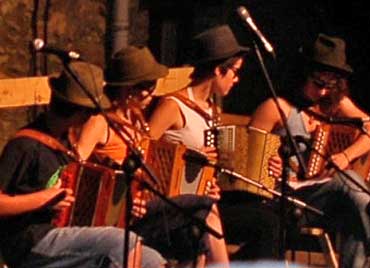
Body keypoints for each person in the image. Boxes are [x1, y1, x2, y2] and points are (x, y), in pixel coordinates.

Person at [74, 45, 230, 267]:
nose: (152, 92)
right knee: (203, 208)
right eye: (147, 86)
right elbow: (75, 166)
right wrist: (112, 188)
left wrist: (199, 176)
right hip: (121, 215)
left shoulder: (137, 119)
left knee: (194, 228)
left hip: (143, 206)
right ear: (127, 89)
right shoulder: (100, 122)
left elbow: (157, 163)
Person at [0, 61, 165, 268]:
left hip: (63, 233)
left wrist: (126, 207)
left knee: (152, 259)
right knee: (122, 243)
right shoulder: (25, 145)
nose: (93, 117)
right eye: (92, 112)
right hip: (30, 241)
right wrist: (42, 199)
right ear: (80, 111)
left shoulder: (65, 142)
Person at [148, 24, 281, 261]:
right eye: (235, 72)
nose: (237, 80)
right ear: (219, 70)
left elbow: (222, 167)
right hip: (177, 204)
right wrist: (188, 157)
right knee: (261, 224)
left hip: (209, 200)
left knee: (272, 218)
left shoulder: (213, 109)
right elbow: (143, 150)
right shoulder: (172, 106)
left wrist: (266, 167)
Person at [249, 33, 370, 267]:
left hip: (320, 197)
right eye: (318, 84)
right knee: (349, 184)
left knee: (357, 210)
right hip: (283, 199)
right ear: (303, 75)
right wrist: (267, 162)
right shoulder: (277, 107)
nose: (324, 92)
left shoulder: (333, 104)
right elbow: (243, 158)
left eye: (330, 85)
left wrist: (346, 155)